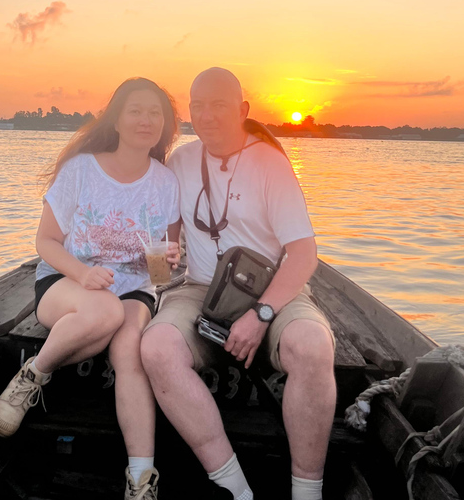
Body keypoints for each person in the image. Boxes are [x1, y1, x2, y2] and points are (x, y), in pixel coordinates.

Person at [140, 68, 335, 500]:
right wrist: (159, 262)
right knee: (155, 348)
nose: (206, 115)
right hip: (198, 288)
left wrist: (262, 314)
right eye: (198, 106)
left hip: (271, 292)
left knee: (313, 346)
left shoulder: (270, 163)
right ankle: (233, 487)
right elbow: (164, 244)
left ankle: (307, 491)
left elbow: (303, 255)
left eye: (218, 105)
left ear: (243, 110)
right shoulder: (180, 162)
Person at [0, 77, 181, 500]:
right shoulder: (82, 170)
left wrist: (167, 264)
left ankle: (141, 479)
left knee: (130, 347)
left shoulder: (166, 182)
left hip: (134, 289)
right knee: (104, 313)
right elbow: (45, 242)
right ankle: (31, 377)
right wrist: (81, 273)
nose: (145, 120)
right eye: (136, 110)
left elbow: (158, 266)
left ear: (165, 124)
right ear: (117, 118)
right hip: (66, 282)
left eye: (155, 113)